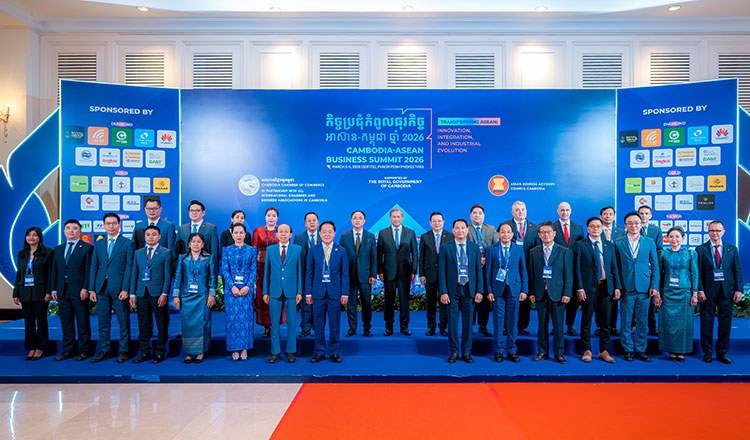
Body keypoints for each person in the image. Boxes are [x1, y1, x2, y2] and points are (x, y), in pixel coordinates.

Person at [573, 217, 620, 364]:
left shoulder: (609, 245)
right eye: (592, 226)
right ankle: (587, 350)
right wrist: (580, 287)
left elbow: (614, 267)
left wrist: (617, 286)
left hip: (607, 287)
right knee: (586, 320)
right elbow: (577, 268)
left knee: (606, 322)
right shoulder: (581, 245)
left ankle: (603, 350)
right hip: (589, 288)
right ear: (588, 229)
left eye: (598, 226)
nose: (595, 229)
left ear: (602, 229)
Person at [696, 220, 744, 364]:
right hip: (707, 292)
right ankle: (707, 352)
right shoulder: (700, 249)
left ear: (723, 232)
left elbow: (737, 270)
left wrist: (739, 290)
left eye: (718, 231)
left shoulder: (732, 249)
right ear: (708, 232)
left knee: (725, 323)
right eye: (712, 230)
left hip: (727, 290)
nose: (715, 233)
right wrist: (700, 290)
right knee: (706, 322)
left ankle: (722, 352)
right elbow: (698, 273)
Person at [613, 212, 659, 362]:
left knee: (642, 321)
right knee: (626, 321)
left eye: (636, 223)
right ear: (625, 225)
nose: (633, 226)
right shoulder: (618, 243)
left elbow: (655, 266)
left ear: (641, 225)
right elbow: (615, 267)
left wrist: (655, 286)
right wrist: (618, 286)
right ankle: (627, 349)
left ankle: (640, 349)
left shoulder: (649, 242)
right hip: (626, 287)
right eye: (630, 223)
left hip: (645, 287)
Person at [89, 213, 135, 363]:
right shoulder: (99, 244)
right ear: (104, 226)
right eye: (108, 223)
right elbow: (94, 266)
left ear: (119, 225)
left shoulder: (127, 243)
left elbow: (129, 267)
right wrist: (92, 289)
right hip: (101, 288)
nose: (111, 226)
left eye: (114, 223)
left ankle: (124, 350)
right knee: (103, 321)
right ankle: (105, 350)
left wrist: (126, 289)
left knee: (123, 321)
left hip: (119, 288)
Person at [439, 219, 484, 363]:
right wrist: (443, 292)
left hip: (469, 289)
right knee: (452, 323)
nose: (460, 231)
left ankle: (466, 352)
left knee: (468, 322)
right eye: (457, 228)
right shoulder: (446, 248)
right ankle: (454, 351)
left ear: (467, 230)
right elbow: (442, 271)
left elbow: (478, 270)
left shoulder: (474, 247)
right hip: (452, 290)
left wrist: (479, 291)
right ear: (453, 230)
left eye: (463, 228)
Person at [528, 221, 573, 364]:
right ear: (539, 235)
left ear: (554, 234)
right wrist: (532, 292)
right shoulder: (533, 252)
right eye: (543, 232)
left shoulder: (564, 251)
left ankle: (559, 352)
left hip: (558, 293)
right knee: (542, 324)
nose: (546, 234)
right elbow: (531, 274)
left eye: (548, 232)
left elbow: (569, 275)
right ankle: (542, 351)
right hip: (540, 293)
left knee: (558, 324)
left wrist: (567, 293)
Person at [306, 221, 349, 363]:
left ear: (334, 233)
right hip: (317, 293)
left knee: (334, 324)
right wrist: (308, 293)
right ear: (319, 233)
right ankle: (319, 351)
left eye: (330, 232)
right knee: (318, 324)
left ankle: (334, 351)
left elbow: (345, 274)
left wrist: (344, 293)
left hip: (334, 293)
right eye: (324, 232)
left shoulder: (341, 251)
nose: (327, 234)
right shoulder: (313, 250)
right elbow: (309, 273)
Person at [50, 219, 93, 361]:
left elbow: (88, 270)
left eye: (74, 228)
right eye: (68, 228)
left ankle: (84, 350)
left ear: (80, 231)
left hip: (79, 291)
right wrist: (53, 289)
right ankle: (68, 350)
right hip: (62, 291)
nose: (71, 231)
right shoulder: (58, 248)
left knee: (82, 322)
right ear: (64, 231)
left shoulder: (87, 248)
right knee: (66, 322)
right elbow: (55, 270)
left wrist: (85, 287)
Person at [129, 225, 172, 364]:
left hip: (158, 294)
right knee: (143, 325)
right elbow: (134, 274)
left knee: (161, 324)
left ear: (159, 237)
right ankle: (145, 352)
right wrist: (132, 294)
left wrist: (164, 293)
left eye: (154, 234)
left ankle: (160, 352)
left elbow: (167, 276)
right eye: (148, 235)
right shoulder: (138, 253)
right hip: (142, 293)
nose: (151, 237)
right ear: (144, 237)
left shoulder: (166, 252)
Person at [654, 227, 698, 362]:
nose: (674, 239)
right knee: (668, 323)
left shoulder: (690, 254)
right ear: (667, 238)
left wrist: (694, 293)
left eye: (677, 236)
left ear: (683, 238)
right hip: (667, 293)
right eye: (671, 236)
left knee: (684, 323)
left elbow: (695, 274)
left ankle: (682, 351)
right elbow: (658, 274)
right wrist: (658, 293)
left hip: (685, 293)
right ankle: (671, 351)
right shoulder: (663, 254)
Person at [485, 223, 527, 363]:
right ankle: (498, 350)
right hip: (498, 289)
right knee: (498, 320)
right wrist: (489, 290)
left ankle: (512, 350)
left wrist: (524, 290)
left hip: (514, 288)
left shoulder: (518, 249)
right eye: (503, 232)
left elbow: (523, 271)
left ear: (512, 234)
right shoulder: (492, 250)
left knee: (513, 320)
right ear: (498, 234)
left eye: (508, 232)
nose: (506, 234)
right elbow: (488, 272)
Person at [173, 233, 216, 363]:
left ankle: (200, 352)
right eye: (193, 241)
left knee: (202, 324)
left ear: (203, 244)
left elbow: (213, 277)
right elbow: (178, 277)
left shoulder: (209, 258)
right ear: (189, 244)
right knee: (188, 325)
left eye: (199, 241)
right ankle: (189, 352)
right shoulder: (182, 258)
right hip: (186, 296)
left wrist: (212, 294)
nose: (196, 244)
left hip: (203, 295)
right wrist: (176, 295)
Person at [263, 224, 303, 363]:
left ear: (291, 235)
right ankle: (275, 352)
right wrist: (265, 291)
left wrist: (299, 291)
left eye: (286, 232)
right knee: (274, 324)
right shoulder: (270, 250)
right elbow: (266, 272)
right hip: (274, 290)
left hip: (291, 291)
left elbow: (300, 272)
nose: (283, 234)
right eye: (280, 231)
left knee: (291, 323)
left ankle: (291, 351)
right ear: (277, 234)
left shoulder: (297, 249)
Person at [12, 226, 53, 361]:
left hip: (41, 292)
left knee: (41, 320)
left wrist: (49, 292)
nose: (31, 237)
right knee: (28, 321)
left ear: (39, 237)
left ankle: (41, 347)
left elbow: (50, 274)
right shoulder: (22, 254)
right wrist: (16, 293)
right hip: (25, 292)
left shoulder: (48, 252)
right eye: (29, 235)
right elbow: (19, 274)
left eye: (34, 235)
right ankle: (31, 347)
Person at [377, 207, 418, 336]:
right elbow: (379, 254)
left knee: (404, 301)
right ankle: (388, 327)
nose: (396, 219)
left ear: (402, 218)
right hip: (388, 272)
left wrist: (414, 271)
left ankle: (404, 326)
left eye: (398, 216)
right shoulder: (383, 233)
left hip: (405, 272)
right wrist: (380, 272)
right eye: (394, 217)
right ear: (390, 218)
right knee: (388, 301)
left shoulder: (410, 232)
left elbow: (415, 253)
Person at [501, 201, 539, 336]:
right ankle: (506, 326)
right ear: (512, 212)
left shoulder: (534, 227)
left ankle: (523, 325)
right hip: (510, 268)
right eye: (517, 210)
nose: (520, 212)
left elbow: (537, 249)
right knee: (509, 296)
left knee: (525, 296)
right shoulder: (506, 226)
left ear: (526, 211)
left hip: (527, 267)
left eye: (523, 209)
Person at [220, 223, 257, 361]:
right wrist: (232, 287)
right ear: (232, 234)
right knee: (233, 319)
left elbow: (253, 270)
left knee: (246, 319)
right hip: (232, 291)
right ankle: (234, 349)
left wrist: (248, 286)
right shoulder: (226, 250)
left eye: (241, 232)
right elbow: (225, 270)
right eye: (236, 232)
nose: (239, 235)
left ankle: (245, 348)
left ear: (245, 234)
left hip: (246, 289)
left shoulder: (251, 250)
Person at [340, 211, 377, 337]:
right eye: (355, 218)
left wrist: (373, 274)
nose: (357, 220)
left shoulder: (370, 236)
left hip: (365, 276)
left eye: (360, 218)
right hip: (349, 275)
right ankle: (352, 328)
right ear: (351, 221)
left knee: (366, 303)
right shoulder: (345, 236)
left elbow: (374, 257)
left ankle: (367, 328)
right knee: (351, 304)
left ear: (364, 221)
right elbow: (341, 257)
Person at [552, 201, 584, 337]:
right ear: (558, 212)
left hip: (574, 266)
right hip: (557, 267)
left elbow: (581, 247)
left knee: (572, 299)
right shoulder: (552, 227)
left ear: (570, 211)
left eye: (567, 210)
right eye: (562, 210)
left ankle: (570, 325)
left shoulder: (578, 228)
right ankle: (556, 326)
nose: (565, 213)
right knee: (557, 298)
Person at [419, 212, 453, 336]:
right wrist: (422, 274)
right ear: (430, 223)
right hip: (430, 275)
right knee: (430, 303)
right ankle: (431, 327)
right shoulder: (425, 236)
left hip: (446, 276)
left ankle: (443, 327)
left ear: (443, 222)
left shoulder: (450, 236)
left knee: (444, 302)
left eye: (439, 221)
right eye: (434, 221)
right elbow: (421, 257)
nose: (437, 223)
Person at [466, 204, 498, 337]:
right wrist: (477, 260)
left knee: (484, 298)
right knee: (470, 296)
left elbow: (496, 247)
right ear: (470, 215)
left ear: (483, 216)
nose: (477, 215)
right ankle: (469, 325)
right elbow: (463, 247)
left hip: (487, 269)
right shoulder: (465, 228)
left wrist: (485, 259)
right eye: (474, 213)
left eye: (480, 213)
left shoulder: (491, 229)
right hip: (470, 269)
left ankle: (483, 326)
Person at [253, 207, 284, 338]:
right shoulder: (258, 231)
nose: (271, 218)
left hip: (278, 267)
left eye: (274, 215)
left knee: (277, 295)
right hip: (262, 268)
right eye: (269, 215)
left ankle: (276, 325)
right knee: (263, 296)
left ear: (277, 218)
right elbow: (254, 250)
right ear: (265, 217)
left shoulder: (281, 230)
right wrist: (254, 270)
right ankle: (266, 327)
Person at [600, 206, 626, 337]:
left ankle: (613, 326)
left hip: (616, 270)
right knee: (600, 301)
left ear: (614, 217)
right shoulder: (596, 230)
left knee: (614, 298)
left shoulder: (621, 232)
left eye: (610, 214)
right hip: (601, 270)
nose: (608, 216)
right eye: (605, 214)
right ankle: (600, 326)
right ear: (601, 217)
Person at [175, 200, 220, 274]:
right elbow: (177, 251)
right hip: (185, 270)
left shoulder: (211, 228)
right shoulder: (182, 228)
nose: (194, 213)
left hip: (204, 270)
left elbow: (214, 251)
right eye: (191, 210)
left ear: (203, 213)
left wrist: (214, 271)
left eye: (197, 210)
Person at [293, 212, 319, 337]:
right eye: (309, 220)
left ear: (318, 222)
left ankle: (317, 327)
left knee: (318, 303)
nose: (312, 222)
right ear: (305, 223)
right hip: (303, 275)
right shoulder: (298, 237)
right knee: (305, 303)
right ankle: (306, 327)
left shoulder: (323, 236)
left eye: (314, 220)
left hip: (319, 276)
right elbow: (295, 258)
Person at [638, 204, 663, 335]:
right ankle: (633, 325)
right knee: (635, 298)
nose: (644, 216)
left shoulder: (656, 230)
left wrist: (653, 266)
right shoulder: (632, 228)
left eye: (646, 213)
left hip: (651, 269)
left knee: (650, 298)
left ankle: (652, 327)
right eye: (641, 213)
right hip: (637, 269)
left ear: (650, 215)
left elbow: (659, 249)